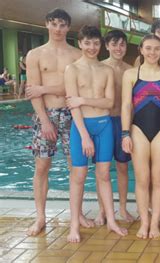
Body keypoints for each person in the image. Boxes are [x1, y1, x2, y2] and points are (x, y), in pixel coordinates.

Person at [64, 25, 127, 243]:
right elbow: (73, 107)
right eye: (87, 43)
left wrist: (83, 100)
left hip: (104, 125)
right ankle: (74, 225)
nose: (92, 47)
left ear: (101, 45)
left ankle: (111, 220)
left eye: (96, 43)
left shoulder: (106, 70)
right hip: (82, 128)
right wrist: (84, 136)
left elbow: (109, 103)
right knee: (78, 176)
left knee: (103, 175)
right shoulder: (71, 69)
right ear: (80, 43)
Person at [25, 9, 85, 236]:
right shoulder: (35, 55)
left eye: (63, 25)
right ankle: (40, 216)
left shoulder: (77, 54)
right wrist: (45, 121)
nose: (58, 29)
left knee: (75, 166)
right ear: (47, 25)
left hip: (71, 114)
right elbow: (33, 92)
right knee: (42, 166)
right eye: (54, 24)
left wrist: (44, 88)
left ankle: (77, 214)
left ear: (68, 28)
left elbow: (75, 89)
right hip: (45, 115)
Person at [122, 34, 160, 238]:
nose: (152, 52)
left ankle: (154, 223)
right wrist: (125, 133)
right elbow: (126, 106)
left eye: (156, 48)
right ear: (141, 50)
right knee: (142, 179)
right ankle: (143, 222)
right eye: (148, 48)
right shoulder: (130, 74)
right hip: (138, 130)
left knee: (159, 177)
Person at [93, 30, 134, 225]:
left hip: (123, 123)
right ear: (107, 46)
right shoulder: (99, 68)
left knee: (123, 167)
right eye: (114, 44)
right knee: (102, 169)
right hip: (104, 121)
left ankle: (123, 208)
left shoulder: (131, 69)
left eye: (122, 45)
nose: (118, 48)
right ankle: (102, 210)